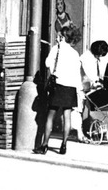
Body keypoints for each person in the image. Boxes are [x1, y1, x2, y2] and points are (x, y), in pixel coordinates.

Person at [34, 23, 82, 156]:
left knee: (50, 115)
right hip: (71, 87)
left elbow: (47, 63)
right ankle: (64, 145)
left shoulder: (57, 48)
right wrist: (79, 90)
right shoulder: (75, 53)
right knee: (67, 117)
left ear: (63, 37)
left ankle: (44, 145)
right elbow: (77, 74)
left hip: (58, 85)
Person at [78, 39, 108, 143]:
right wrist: (95, 82)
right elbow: (87, 75)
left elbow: (98, 74)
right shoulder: (85, 58)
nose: (99, 57)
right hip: (82, 87)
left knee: (86, 110)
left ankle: (87, 131)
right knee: (81, 111)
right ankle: (82, 133)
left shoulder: (95, 58)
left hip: (89, 88)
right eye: (99, 55)